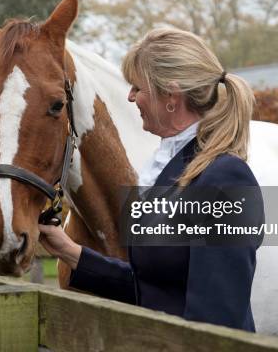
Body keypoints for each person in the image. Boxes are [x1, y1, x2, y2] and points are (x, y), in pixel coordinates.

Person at [38, 27, 264, 332]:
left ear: (170, 96)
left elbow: (217, 319)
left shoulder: (224, 180)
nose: (130, 97)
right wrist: (69, 251)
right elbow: (154, 289)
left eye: (136, 87)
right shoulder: (171, 169)